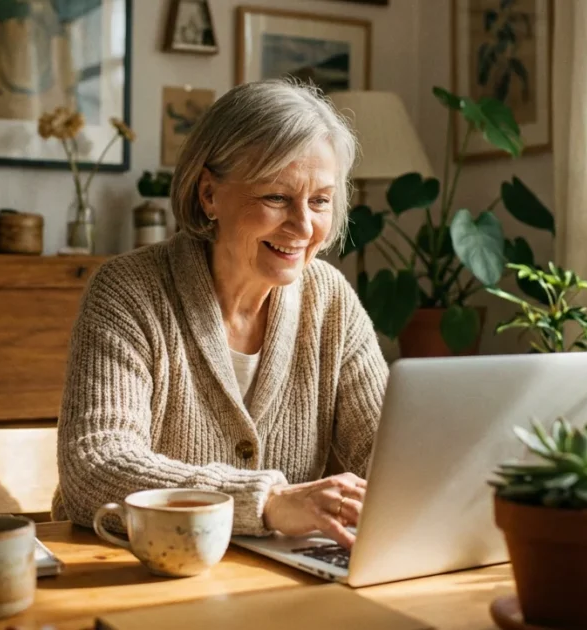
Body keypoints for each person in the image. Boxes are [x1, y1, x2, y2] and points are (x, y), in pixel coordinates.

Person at [52, 79, 389, 549]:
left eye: (320, 201)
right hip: (134, 572)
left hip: (268, 583)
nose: (303, 225)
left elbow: (388, 458)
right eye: (276, 197)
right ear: (209, 194)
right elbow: (97, 466)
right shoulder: (128, 291)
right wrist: (268, 500)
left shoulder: (331, 302)